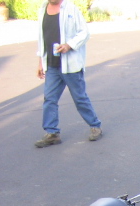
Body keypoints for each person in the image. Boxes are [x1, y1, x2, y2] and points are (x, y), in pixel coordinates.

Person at [35, 0, 102, 148]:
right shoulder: (43, 9)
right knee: (49, 99)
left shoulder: (71, 9)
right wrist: (40, 61)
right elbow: (42, 38)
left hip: (70, 65)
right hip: (52, 65)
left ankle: (95, 125)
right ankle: (52, 133)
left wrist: (69, 45)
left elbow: (84, 32)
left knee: (80, 98)